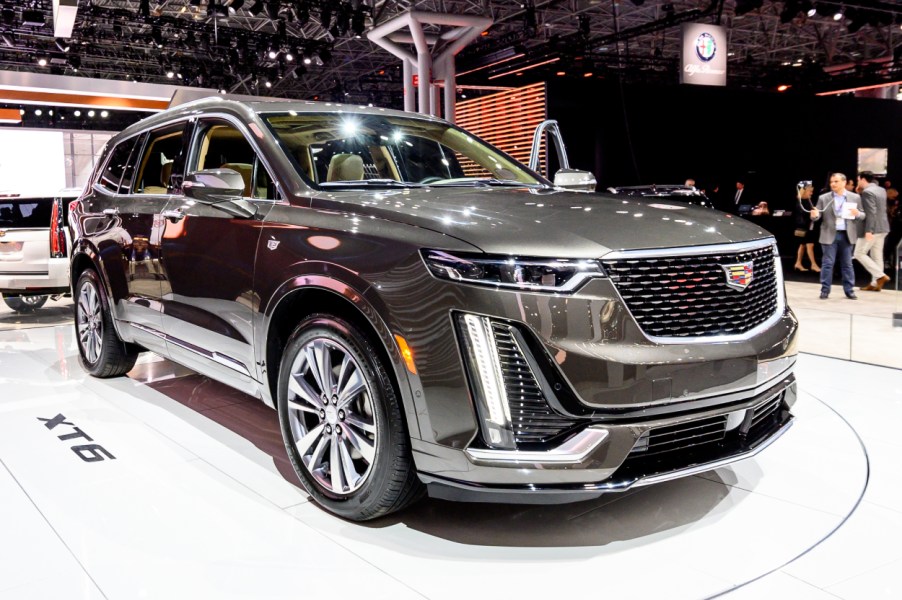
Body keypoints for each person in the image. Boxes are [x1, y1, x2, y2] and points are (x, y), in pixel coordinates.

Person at [810, 172, 865, 299]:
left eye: (836, 181)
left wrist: (857, 213)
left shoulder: (854, 197)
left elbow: (863, 215)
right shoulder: (824, 198)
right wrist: (814, 215)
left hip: (846, 235)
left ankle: (849, 290)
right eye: (831, 182)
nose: (833, 184)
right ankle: (825, 290)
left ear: (844, 183)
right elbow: (817, 215)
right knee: (828, 263)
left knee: (847, 264)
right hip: (829, 234)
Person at [854, 171, 891, 291]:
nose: (857, 181)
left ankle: (880, 276)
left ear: (862, 179)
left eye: (858, 179)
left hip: (872, 228)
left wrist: (869, 230)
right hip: (883, 226)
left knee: (859, 253)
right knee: (877, 256)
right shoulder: (881, 190)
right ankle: (875, 284)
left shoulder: (868, 192)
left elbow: (871, 212)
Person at [793, 181, 820, 272]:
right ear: (804, 191)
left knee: (803, 245)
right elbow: (803, 214)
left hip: (807, 226)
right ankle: (813, 264)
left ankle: (798, 263)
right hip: (804, 227)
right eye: (810, 191)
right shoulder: (800, 202)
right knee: (810, 245)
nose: (812, 193)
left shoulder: (808, 201)